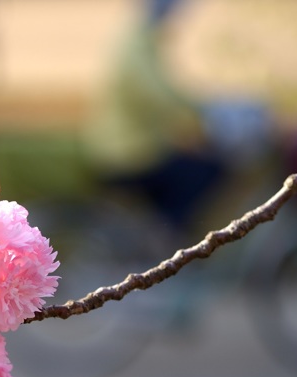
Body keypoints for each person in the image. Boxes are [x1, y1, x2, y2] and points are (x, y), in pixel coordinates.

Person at [81, 0, 227, 236]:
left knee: (192, 166)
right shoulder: (137, 45)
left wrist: (201, 110)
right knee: (206, 170)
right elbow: (156, 95)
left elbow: (164, 93)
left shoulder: (141, 41)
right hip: (129, 154)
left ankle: (161, 232)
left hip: (134, 149)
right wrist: (204, 112)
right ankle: (168, 235)